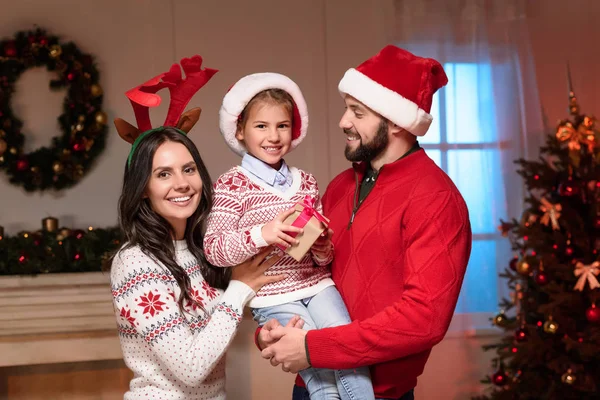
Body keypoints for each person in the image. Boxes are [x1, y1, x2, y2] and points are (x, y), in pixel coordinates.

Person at [258, 45, 473, 400]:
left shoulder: (437, 198)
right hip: (311, 386)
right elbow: (298, 272)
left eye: (357, 112)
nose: (344, 121)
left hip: (380, 393)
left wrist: (313, 347)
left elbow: (423, 320)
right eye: (347, 109)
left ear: (397, 122)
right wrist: (272, 329)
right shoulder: (340, 186)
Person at [107, 55, 293, 400]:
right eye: (163, 174)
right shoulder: (136, 263)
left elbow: (216, 328)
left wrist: (263, 331)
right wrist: (239, 289)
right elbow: (191, 368)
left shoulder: (200, 248)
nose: (182, 184)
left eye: (188, 169)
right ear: (142, 188)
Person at [204, 72, 375, 399]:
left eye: (282, 125)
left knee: (353, 365)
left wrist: (322, 245)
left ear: (293, 129)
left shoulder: (307, 182)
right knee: (323, 383)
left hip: (318, 287)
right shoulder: (231, 185)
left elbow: (320, 258)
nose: (273, 136)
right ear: (240, 130)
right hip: (273, 297)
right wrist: (263, 233)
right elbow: (214, 249)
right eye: (261, 126)